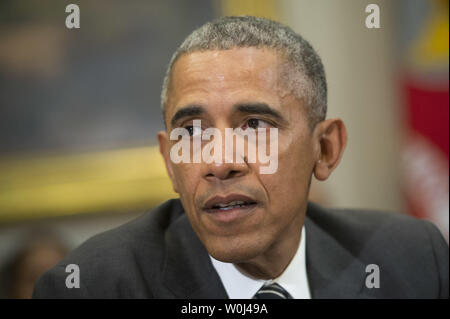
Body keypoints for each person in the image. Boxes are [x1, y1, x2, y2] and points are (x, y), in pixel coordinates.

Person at [33, 16, 448, 299]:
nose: (219, 163)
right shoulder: (93, 286)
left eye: (255, 127)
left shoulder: (410, 258)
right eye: (192, 132)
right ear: (169, 161)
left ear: (325, 149)